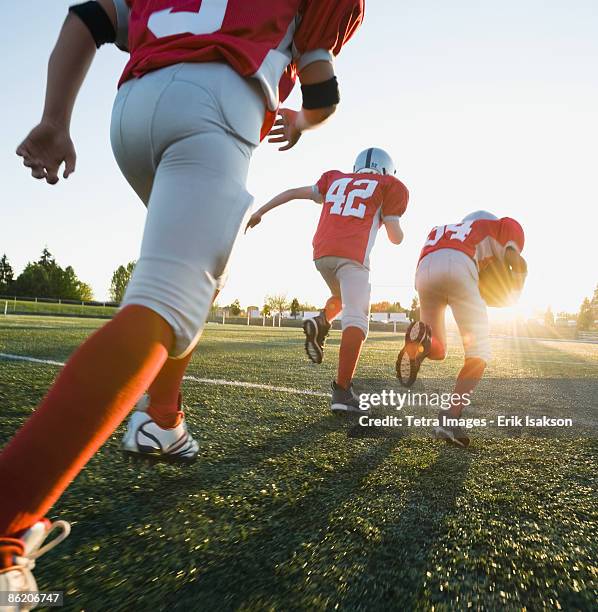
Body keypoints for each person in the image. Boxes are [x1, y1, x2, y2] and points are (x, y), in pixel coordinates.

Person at [1, 0, 364, 597]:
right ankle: (6, 522)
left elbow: (88, 19)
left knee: (195, 285)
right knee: (165, 304)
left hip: (132, 111)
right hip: (217, 105)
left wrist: (55, 118)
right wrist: (302, 122)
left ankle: (163, 419)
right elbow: (323, 89)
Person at [246, 148, 409, 414]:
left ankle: (322, 321)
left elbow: (291, 193)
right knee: (357, 318)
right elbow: (395, 236)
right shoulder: (390, 185)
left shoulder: (335, 179)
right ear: (386, 169)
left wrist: (260, 212)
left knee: (342, 299)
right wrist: (394, 224)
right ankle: (343, 392)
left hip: (322, 254)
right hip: (352, 255)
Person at [396, 210, 527, 447]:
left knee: (438, 349)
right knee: (479, 353)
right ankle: (450, 417)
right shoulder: (500, 226)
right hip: (459, 264)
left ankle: (423, 342)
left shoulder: (441, 229)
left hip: (425, 270)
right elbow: (515, 260)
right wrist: (515, 292)